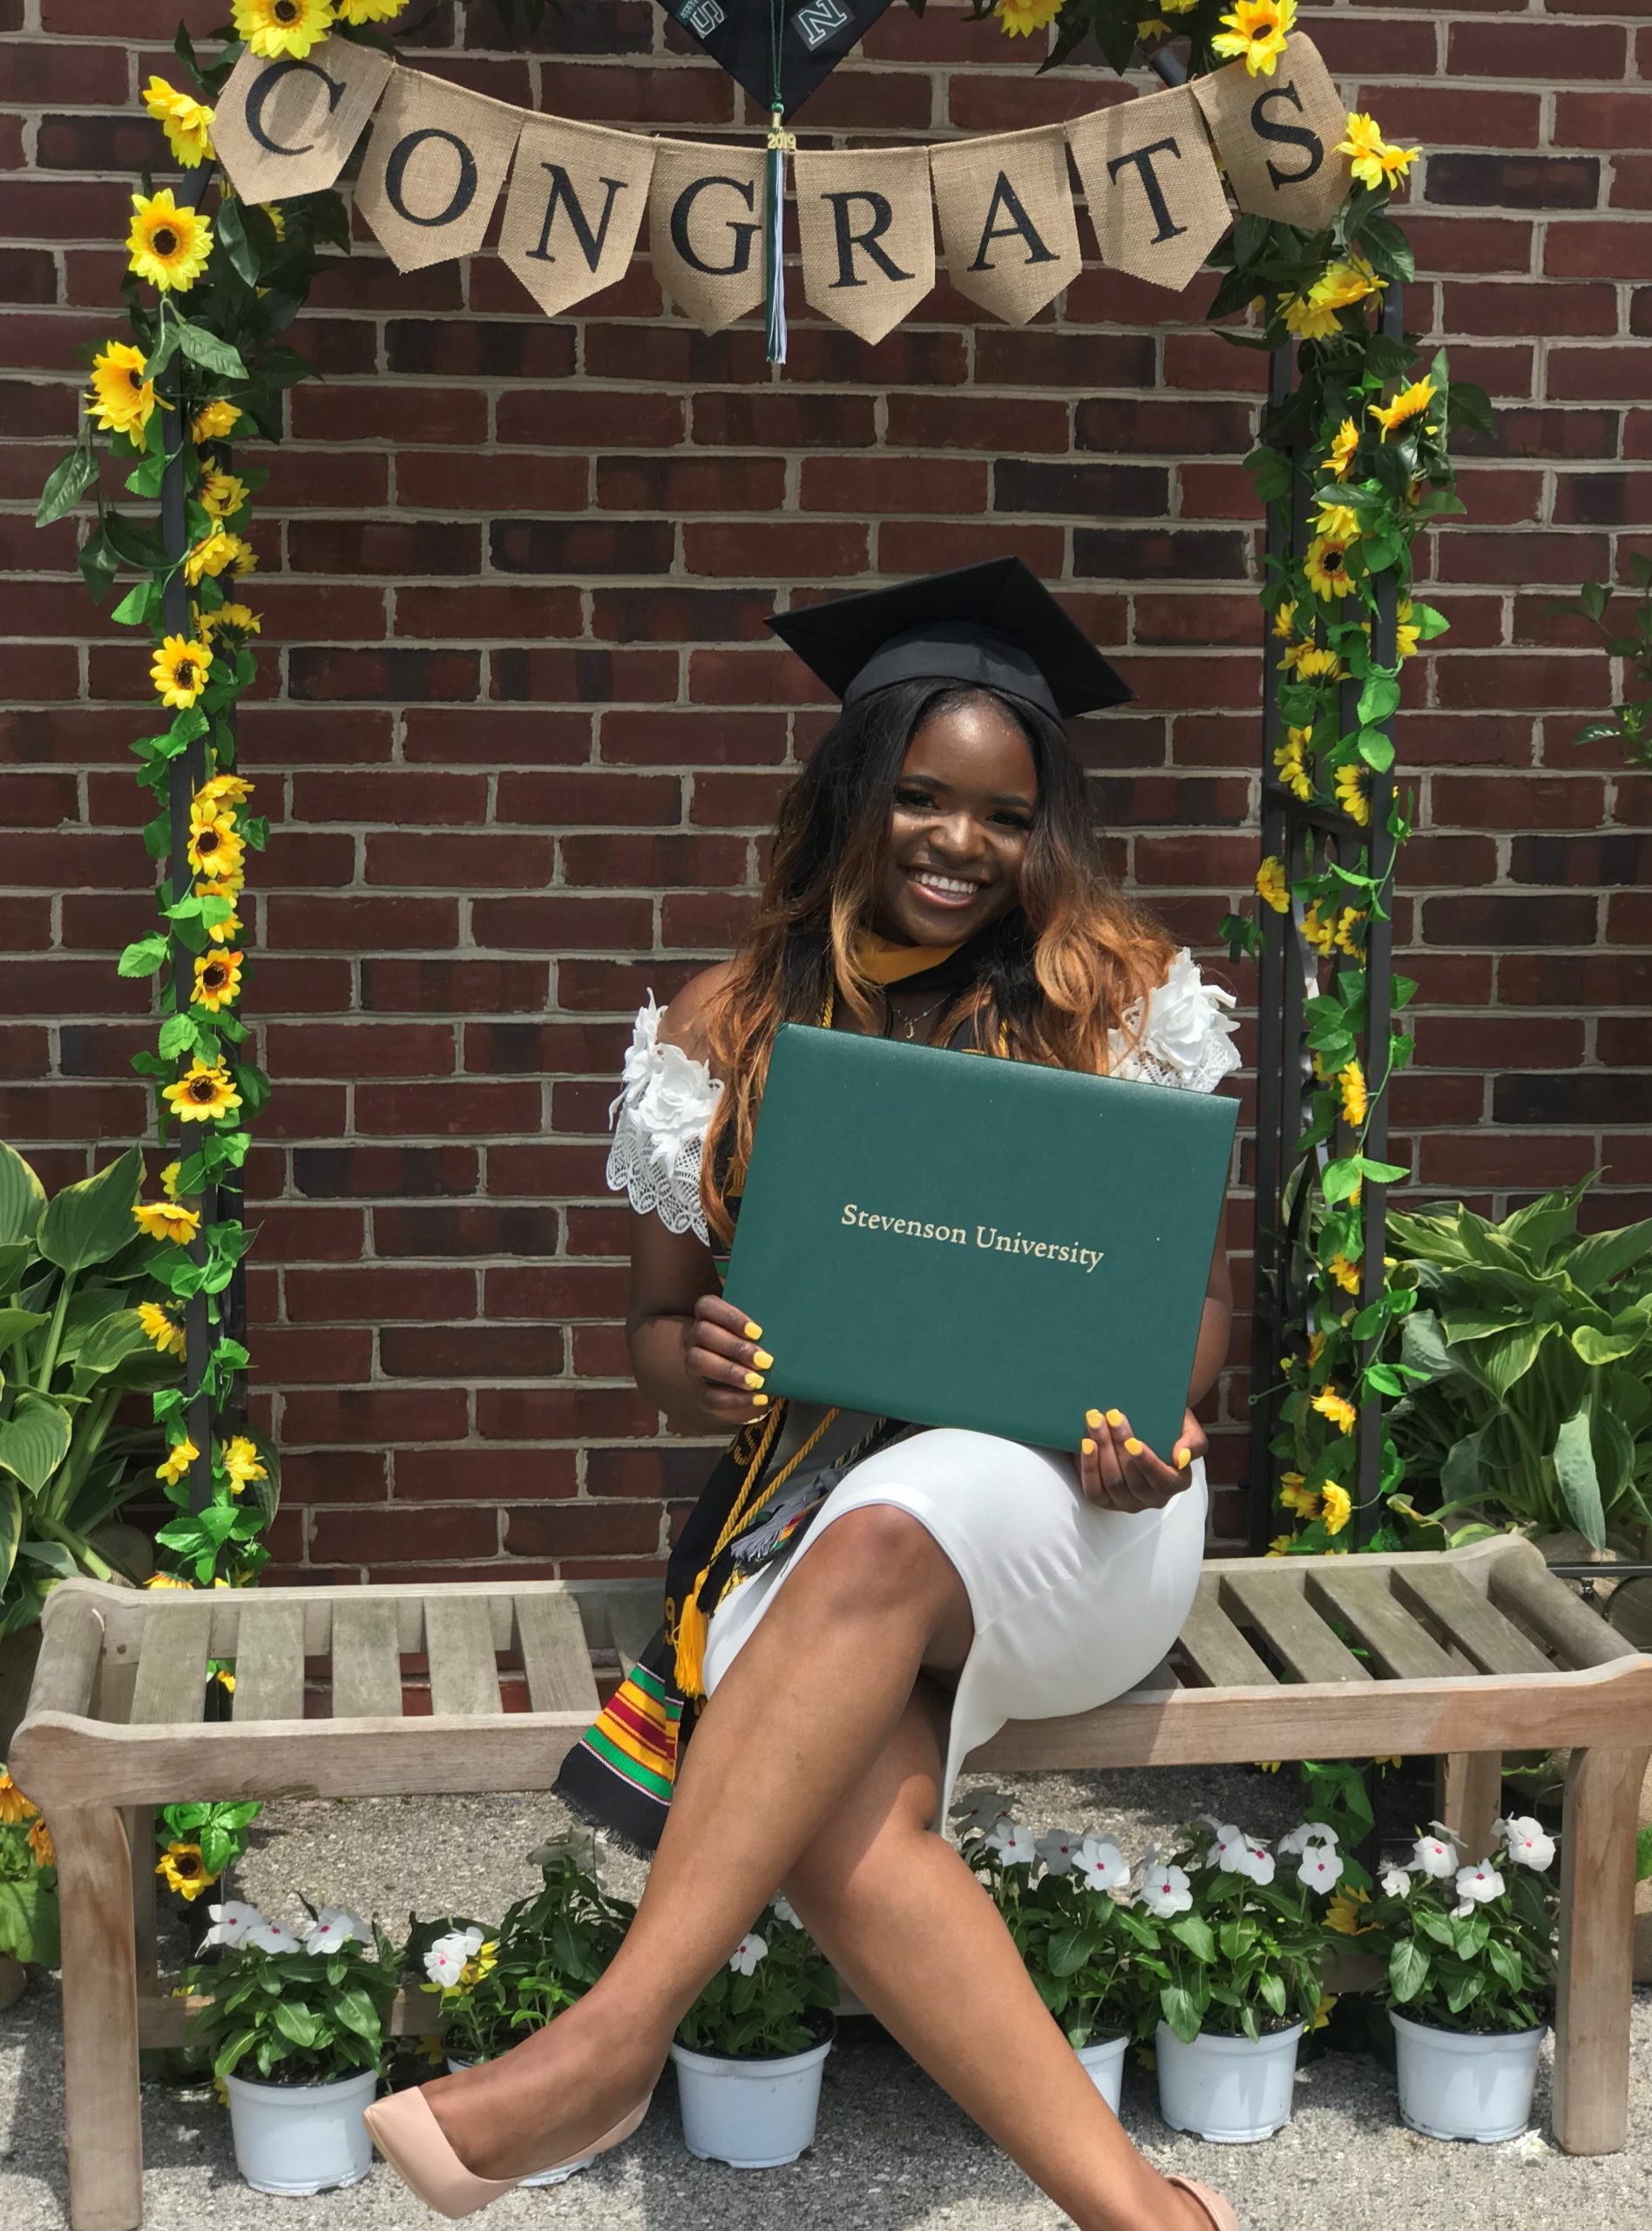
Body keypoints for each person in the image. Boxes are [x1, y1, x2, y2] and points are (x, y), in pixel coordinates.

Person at [366, 559, 1242, 2231]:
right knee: (843, 1820)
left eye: (1005, 814)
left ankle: (608, 2044)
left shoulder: (1117, 1000)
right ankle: (1155, 2221)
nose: (959, 841)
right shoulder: (732, 1027)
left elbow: (1194, 1313)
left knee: (896, 1522)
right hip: (810, 1502)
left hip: (1078, 1514)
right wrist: (692, 1363)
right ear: (854, 791)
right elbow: (655, 1330)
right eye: (921, 795)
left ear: (1045, 829)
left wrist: (1152, 1420)